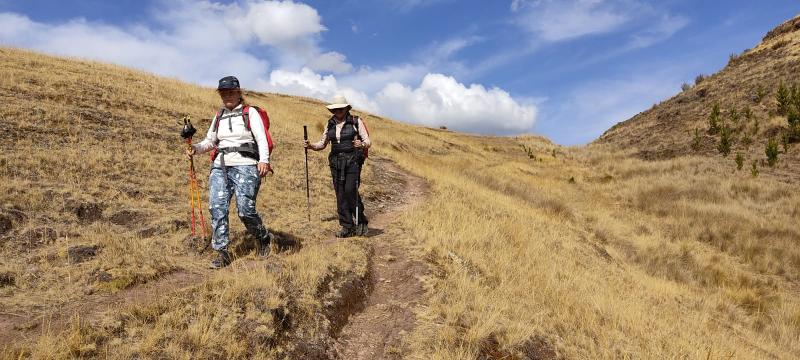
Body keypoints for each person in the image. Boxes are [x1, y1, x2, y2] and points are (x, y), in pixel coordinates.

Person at [187, 75, 274, 269]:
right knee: (217, 207)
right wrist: (196, 149)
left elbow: (261, 138)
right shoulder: (219, 116)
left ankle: (263, 237)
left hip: (247, 165)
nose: (227, 96)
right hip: (221, 166)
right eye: (223, 93)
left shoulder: (250, 112)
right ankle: (222, 252)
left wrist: (264, 161)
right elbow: (211, 141)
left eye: (230, 92)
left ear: (238, 92)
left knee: (245, 210)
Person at [304, 95, 371, 238]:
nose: (338, 112)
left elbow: (368, 141)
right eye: (335, 110)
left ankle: (361, 222)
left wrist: (362, 144)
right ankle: (347, 226)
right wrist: (310, 146)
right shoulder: (330, 124)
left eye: (341, 109)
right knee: (340, 194)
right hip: (335, 163)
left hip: (353, 160)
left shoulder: (356, 121)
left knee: (350, 190)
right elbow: (323, 144)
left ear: (346, 108)